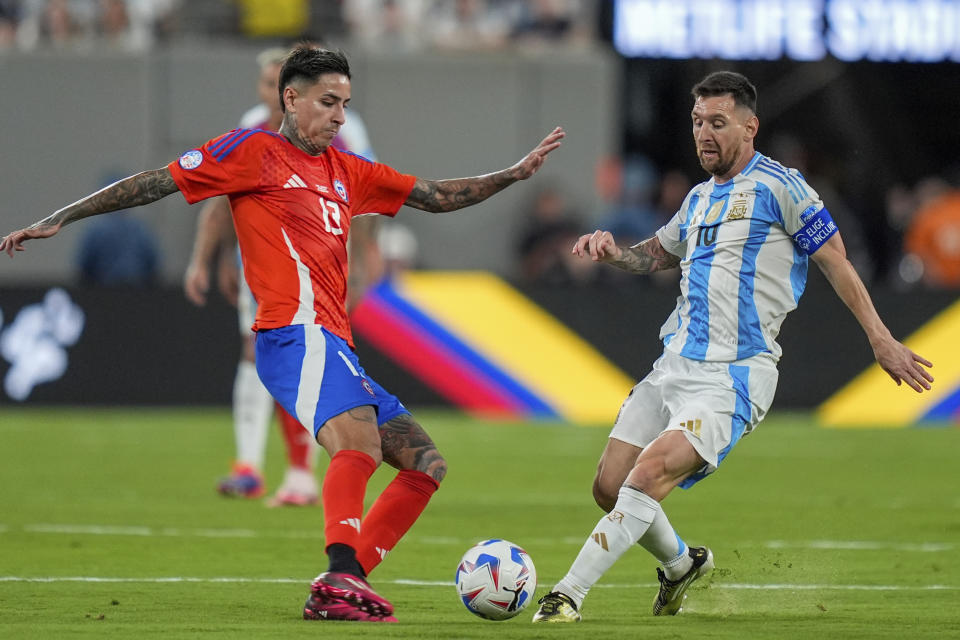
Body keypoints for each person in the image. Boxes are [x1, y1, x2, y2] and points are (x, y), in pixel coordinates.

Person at [1, 46, 564, 622]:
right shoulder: (251, 151)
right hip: (294, 333)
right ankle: (340, 574)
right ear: (290, 98)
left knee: (425, 463)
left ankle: (346, 583)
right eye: (328, 102)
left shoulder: (348, 170)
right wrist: (59, 218)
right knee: (359, 442)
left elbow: (436, 195)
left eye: (345, 104)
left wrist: (512, 174)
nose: (340, 117)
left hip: (333, 341)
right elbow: (153, 183)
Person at [530, 71, 933, 624]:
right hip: (673, 365)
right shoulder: (698, 199)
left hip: (734, 375)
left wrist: (881, 339)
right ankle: (680, 565)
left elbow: (835, 259)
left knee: (648, 477)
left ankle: (566, 596)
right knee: (609, 486)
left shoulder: (783, 187)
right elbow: (658, 254)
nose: (704, 134)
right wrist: (613, 255)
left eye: (717, 123)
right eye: (698, 122)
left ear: (750, 127)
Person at [184, 45, 382, 507]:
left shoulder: (343, 130)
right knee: (257, 351)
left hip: (325, 267)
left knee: (310, 359)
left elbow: (365, 191)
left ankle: (300, 471)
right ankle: (251, 466)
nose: (273, 92)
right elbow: (220, 196)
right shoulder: (251, 129)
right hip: (265, 266)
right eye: (265, 82)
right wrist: (210, 259)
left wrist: (363, 258)